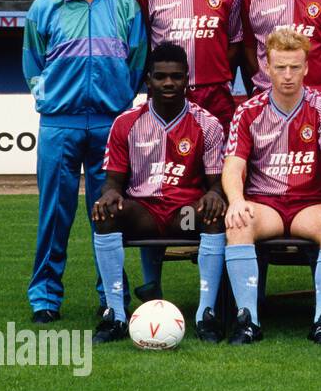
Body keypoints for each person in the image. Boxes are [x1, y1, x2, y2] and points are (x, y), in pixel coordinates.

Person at [23, 0, 148, 323]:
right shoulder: (45, 7)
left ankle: (111, 296)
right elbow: (33, 64)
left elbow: (136, 61)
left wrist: (118, 102)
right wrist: (50, 99)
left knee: (109, 214)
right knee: (54, 214)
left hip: (111, 126)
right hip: (60, 125)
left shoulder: (126, 5)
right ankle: (45, 298)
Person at [134, 0, 242, 300]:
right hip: (164, 103)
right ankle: (152, 282)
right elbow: (144, 46)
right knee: (155, 187)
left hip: (215, 98)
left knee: (219, 188)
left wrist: (209, 81)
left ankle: (221, 285)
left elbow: (234, 46)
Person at [90, 43, 227, 343]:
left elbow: (216, 183)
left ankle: (207, 314)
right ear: (148, 80)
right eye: (161, 76)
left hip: (184, 214)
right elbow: (112, 181)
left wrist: (214, 194)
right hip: (145, 213)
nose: (168, 83)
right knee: (105, 213)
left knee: (213, 215)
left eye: (176, 77)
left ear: (186, 79)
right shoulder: (126, 123)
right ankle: (115, 315)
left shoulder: (208, 124)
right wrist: (110, 194)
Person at [222, 30, 321, 345]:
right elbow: (233, 166)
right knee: (238, 223)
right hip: (266, 204)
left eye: (295, 67)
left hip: (309, 204)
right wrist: (236, 200)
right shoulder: (249, 110)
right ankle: (247, 319)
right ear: (267, 66)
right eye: (280, 67)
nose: (288, 75)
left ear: (307, 67)